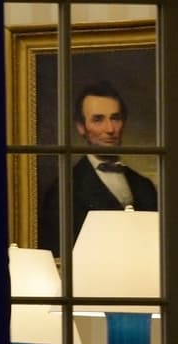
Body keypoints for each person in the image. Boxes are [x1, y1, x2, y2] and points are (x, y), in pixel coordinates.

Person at [37, 80, 159, 257]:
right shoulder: (63, 190)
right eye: (98, 120)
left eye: (115, 118)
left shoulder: (144, 185)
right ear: (81, 127)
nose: (110, 129)